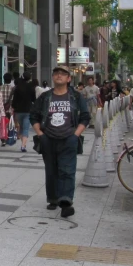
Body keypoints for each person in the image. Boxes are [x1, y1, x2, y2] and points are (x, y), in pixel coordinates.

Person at [30, 66, 90, 218]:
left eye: (63, 74)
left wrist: (76, 134)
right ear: (52, 77)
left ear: (69, 78)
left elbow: (85, 116)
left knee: (67, 170)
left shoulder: (76, 97)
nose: (59, 76)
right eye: (56, 73)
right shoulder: (45, 97)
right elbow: (34, 116)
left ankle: (66, 202)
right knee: (51, 170)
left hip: (69, 138)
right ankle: (53, 199)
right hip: (48, 138)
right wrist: (40, 134)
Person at [11, 72, 36, 152]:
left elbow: (14, 100)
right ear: (29, 78)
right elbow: (33, 99)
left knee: (21, 127)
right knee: (25, 128)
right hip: (28, 110)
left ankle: (23, 144)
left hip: (18, 111)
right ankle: (23, 145)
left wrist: (13, 107)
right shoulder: (31, 87)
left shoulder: (17, 87)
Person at [0, 73, 14, 147]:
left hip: (2, 109)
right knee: (9, 123)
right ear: (11, 79)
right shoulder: (13, 88)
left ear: (3, 79)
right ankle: (9, 136)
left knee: (3, 124)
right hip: (10, 108)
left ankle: (3, 139)